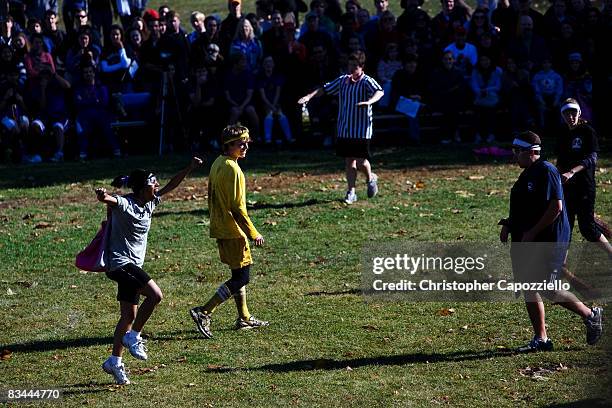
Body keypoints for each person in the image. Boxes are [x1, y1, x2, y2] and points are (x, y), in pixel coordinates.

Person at [97, 157, 203, 385]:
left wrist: (189, 167)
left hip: (133, 265)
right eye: (153, 185)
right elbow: (111, 200)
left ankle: (114, 362)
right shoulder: (127, 203)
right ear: (143, 188)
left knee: (128, 315)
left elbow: (171, 185)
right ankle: (133, 337)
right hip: (120, 263)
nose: (157, 188)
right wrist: (102, 196)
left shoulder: (151, 202)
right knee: (156, 295)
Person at [499, 131, 603, 352]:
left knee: (546, 287)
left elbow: (556, 207)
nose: (514, 156)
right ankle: (541, 339)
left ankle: (591, 315)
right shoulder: (528, 173)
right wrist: (509, 224)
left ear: (529, 152)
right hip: (530, 240)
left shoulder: (546, 171)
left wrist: (532, 233)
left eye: (517, 152)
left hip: (548, 240)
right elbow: (527, 207)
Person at [189, 125, 268, 339]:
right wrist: (253, 233)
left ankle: (244, 318)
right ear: (228, 145)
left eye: (246, 142)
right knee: (242, 278)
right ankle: (204, 311)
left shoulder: (218, 163)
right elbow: (237, 207)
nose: (245, 146)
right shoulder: (233, 169)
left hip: (220, 227)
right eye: (240, 143)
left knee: (237, 273)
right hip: (233, 230)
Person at [298, 51, 384, 204]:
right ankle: (351, 191)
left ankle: (371, 178)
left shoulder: (366, 81)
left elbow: (379, 92)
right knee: (349, 160)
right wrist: (308, 97)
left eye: (354, 66)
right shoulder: (343, 81)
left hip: (362, 129)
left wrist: (369, 102)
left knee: (360, 161)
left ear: (361, 67)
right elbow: (324, 89)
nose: (351, 68)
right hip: (345, 128)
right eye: (349, 65)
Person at [557, 99, 612, 257]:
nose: (571, 116)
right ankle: (561, 265)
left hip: (584, 187)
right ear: (562, 115)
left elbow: (591, 159)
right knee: (565, 226)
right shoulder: (563, 133)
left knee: (587, 228)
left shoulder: (587, 131)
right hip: (567, 187)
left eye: (574, 112)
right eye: (567, 113)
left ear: (579, 113)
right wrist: (557, 176)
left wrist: (571, 172)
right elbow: (560, 161)